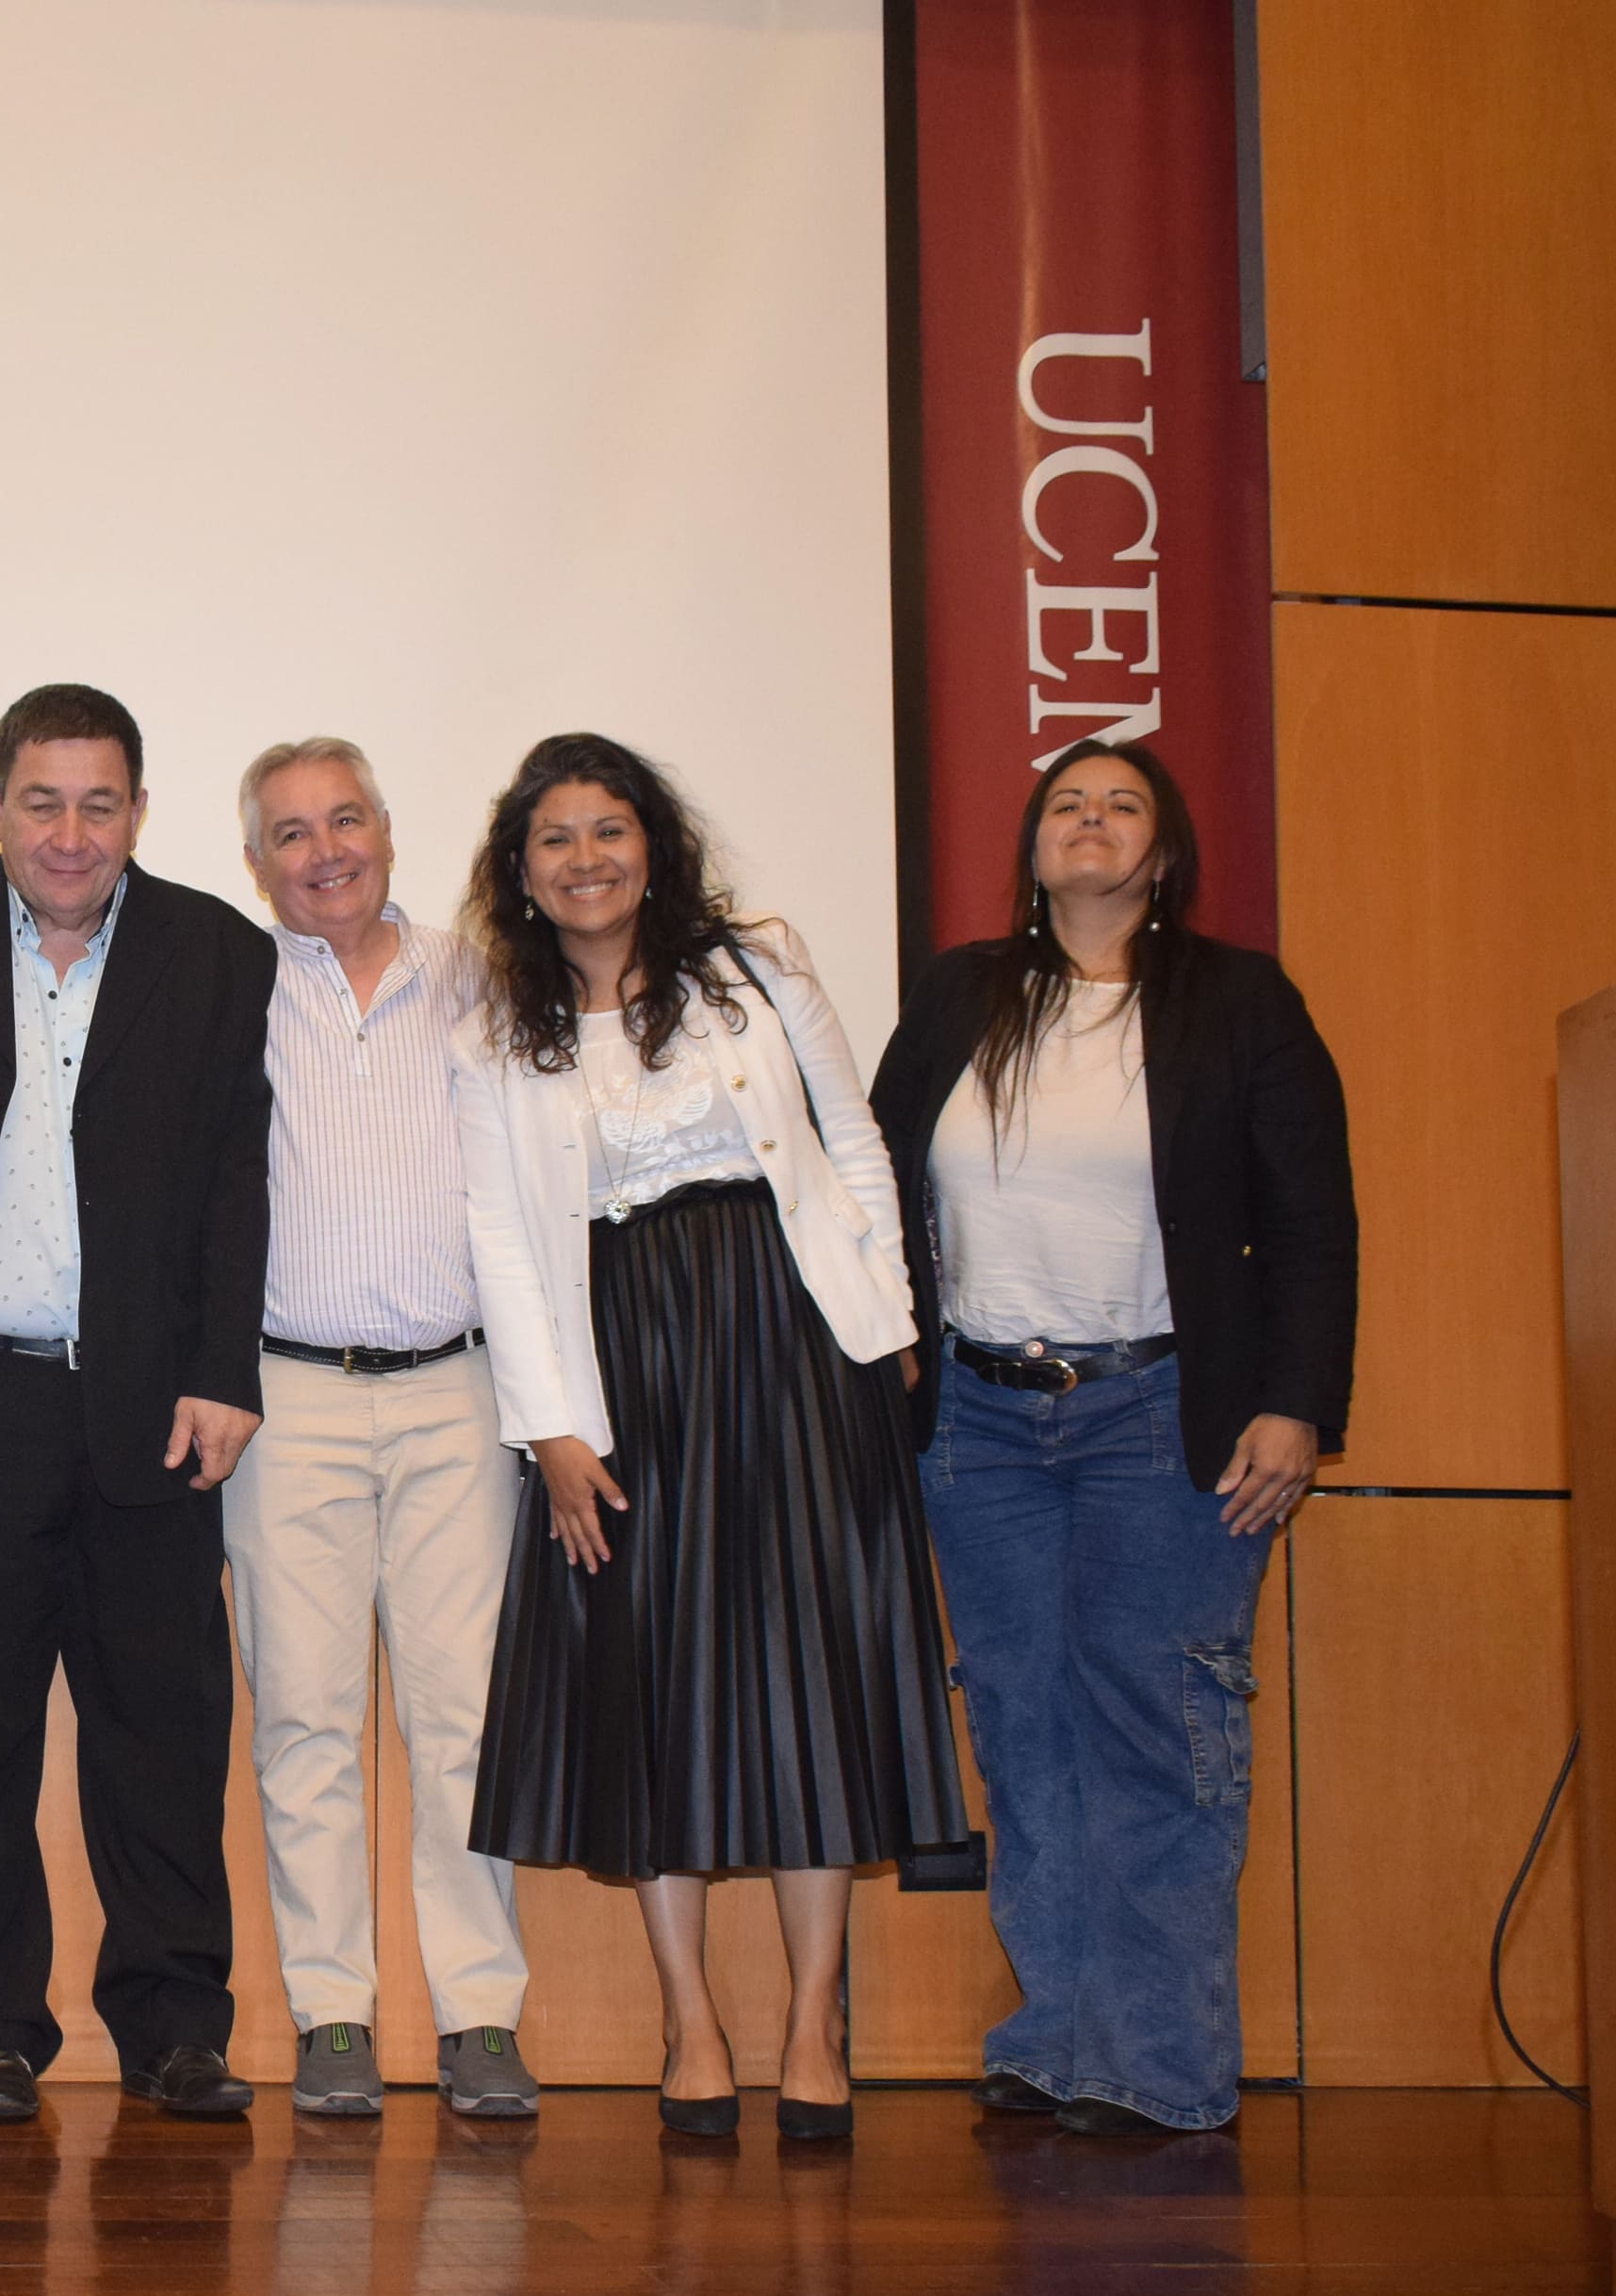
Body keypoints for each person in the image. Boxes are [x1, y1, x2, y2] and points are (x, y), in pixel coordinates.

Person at [450, 730, 965, 2143]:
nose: (586, 860)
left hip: (793, 1345)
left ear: (653, 845)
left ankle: (812, 2019)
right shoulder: (496, 1032)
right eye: (555, 839)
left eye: (608, 830)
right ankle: (689, 2020)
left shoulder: (757, 967)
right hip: (623, 1364)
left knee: (809, 1678)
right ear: (521, 872)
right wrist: (551, 1432)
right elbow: (502, 1240)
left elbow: (852, 1142)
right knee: (654, 1679)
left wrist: (885, 1309)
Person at [868, 738, 1354, 2139]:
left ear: (1163, 851)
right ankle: (1055, 2041)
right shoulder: (960, 993)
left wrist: (1297, 1403)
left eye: (1120, 804)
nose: (1089, 820)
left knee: (1159, 1731)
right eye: (1065, 804)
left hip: (1162, 1413)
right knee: (1024, 1731)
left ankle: (1159, 2064)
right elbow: (873, 1181)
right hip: (979, 1424)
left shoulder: (1237, 1002)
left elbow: (1312, 1222)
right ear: (1032, 845)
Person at [0, 683, 276, 2123]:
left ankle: (175, 2026)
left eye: (100, 804)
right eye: (42, 802)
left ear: (139, 813)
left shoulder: (217, 953)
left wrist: (224, 1370)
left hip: (153, 1410)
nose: (70, 833)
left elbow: (235, 1176)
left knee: (162, 1735)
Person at [223, 738, 535, 2120]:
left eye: (344, 820)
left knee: (463, 1717)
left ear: (390, 833)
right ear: (256, 863)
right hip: (286, 1398)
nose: (324, 852)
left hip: (457, 1394)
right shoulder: (231, 989)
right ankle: (331, 2013)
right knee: (304, 1719)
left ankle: (480, 2016)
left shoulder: (483, 981)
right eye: (291, 834)